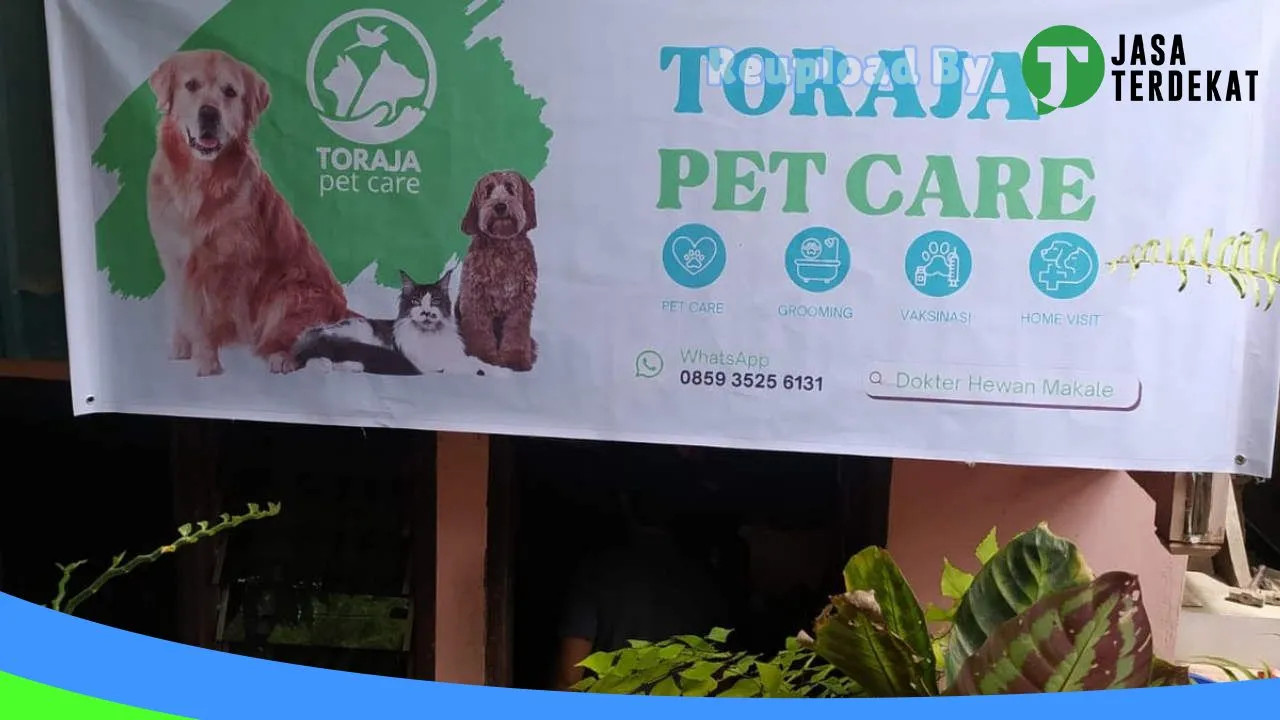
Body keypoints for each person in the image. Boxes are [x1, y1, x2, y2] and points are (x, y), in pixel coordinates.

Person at [553, 444, 738, 690]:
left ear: (624, 500)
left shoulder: (597, 571)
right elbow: (724, 674)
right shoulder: (706, 578)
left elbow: (570, 675)